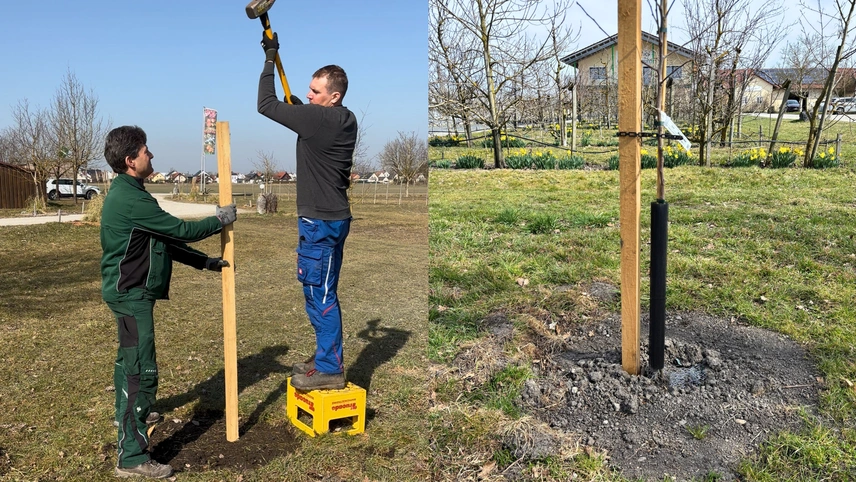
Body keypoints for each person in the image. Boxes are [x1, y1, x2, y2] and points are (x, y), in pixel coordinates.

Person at [100, 125, 237, 479]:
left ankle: (126, 415)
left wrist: (203, 261)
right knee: (141, 372)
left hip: (129, 293)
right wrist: (218, 220)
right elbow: (178, 230)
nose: (152, 155)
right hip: (131, 296)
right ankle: (131, 457)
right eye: (146, 151)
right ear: (131, 160)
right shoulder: (130, 199)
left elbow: (164, 243)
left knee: (127, 361)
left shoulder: (132, 193)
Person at [257, 32, 357, 391]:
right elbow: (310, 119)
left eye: (316, 92)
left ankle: (330, 368)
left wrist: (270, 57)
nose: (310, 95)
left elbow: (266, 104)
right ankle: (324, 355)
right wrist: (302, 107)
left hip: (320, 223)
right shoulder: (345, 119)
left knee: (320, 294)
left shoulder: (316, 119)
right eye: (309, 91)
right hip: (335, 218)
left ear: (334, 96)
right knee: (323, 289)